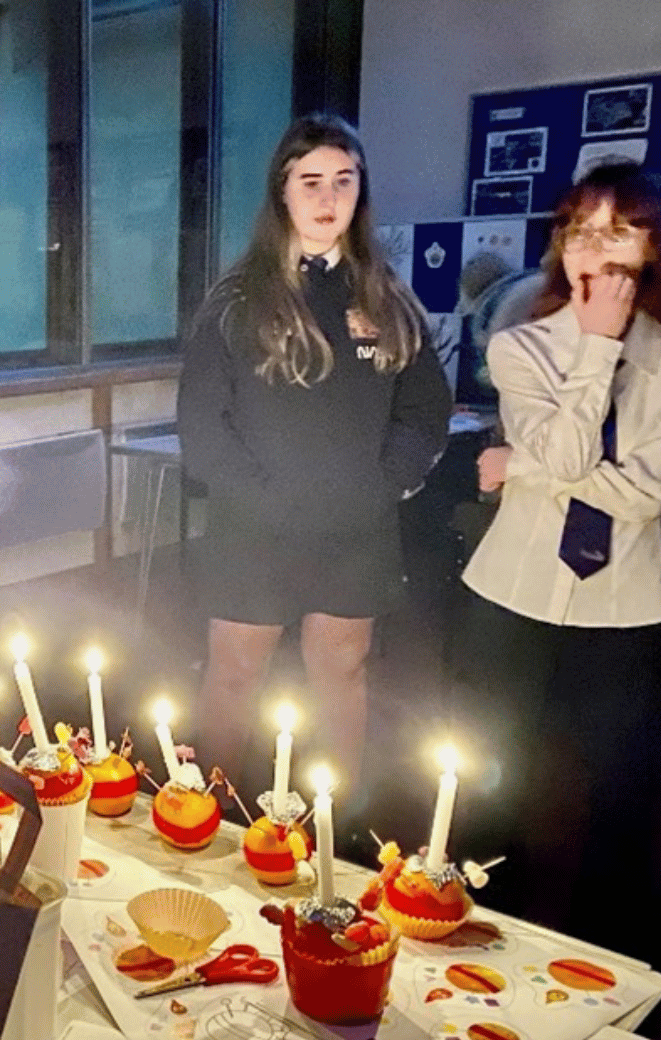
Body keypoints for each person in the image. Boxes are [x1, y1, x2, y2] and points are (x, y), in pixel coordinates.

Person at [178, 113, 452, 801]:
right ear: (283, 192)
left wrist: (384, 481)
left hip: (355, 527)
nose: (327, 199)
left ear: (361, 193)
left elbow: (426, 410)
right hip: (254, 525)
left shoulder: (387, 301)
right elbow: (202, 426)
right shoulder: (237, 301)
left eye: (343, 182)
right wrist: (261, 495)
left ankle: (336, 826)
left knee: (343, 676)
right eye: (311, 182)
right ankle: (208, 813)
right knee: (233, 677)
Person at [457, 164, 661, 952]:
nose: (597, 247)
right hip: (513, 589)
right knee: (492, 771)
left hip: (625, 601)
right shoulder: (520, 346)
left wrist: (523, 467)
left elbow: (649, 493)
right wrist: (596, 349)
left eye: (619, 229)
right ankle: (474, 924)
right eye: (581, 229)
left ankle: (597, 956)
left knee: (608, 785)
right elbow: (572, 448)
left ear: (653, 243)